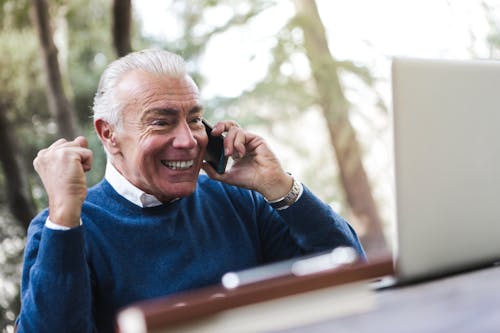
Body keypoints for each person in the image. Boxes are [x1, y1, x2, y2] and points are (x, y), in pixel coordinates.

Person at [16, 49, 365, 332]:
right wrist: (64, 218)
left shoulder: (239, 200)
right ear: (108, 133)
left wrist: (279, 186)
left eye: (195, 119)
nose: (188, 140)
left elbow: (350, 276)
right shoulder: (64, 229)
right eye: (161, 122)